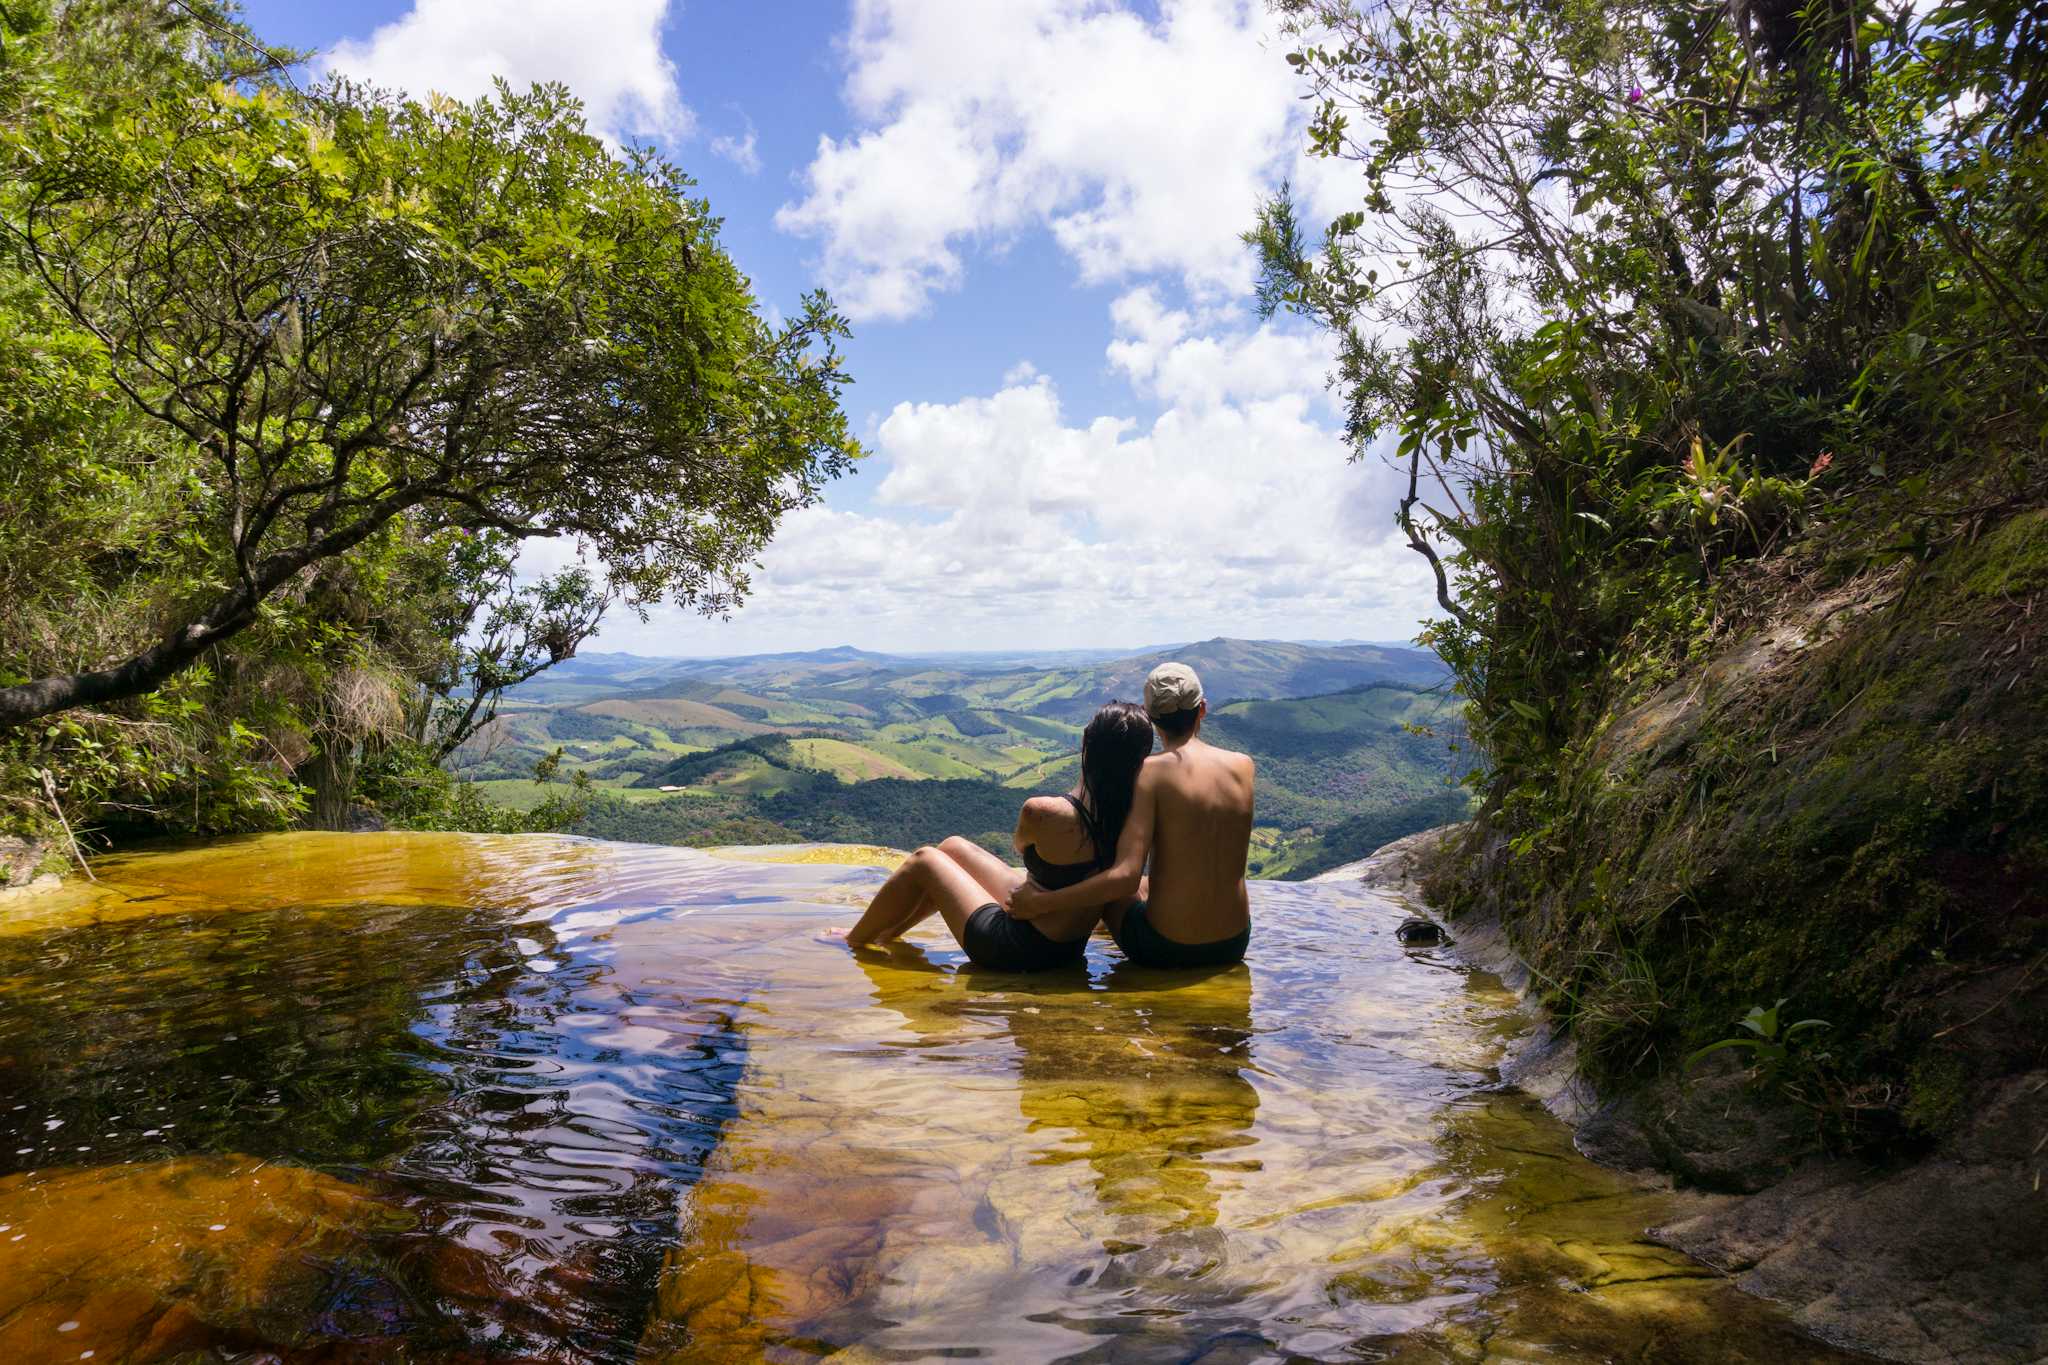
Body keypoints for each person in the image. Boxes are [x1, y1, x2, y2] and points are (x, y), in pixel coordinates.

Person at [839, 701, 1155, 970]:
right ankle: (889, 932)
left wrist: (1042, 900)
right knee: (953, 848)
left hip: (1013, 947)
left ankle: (853, 939)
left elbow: (1021, 845)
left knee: (926, 860)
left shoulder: (1044, 811)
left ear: (1087, 743)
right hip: (1066, 948)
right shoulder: (1134, 813)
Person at [1011, 663, 1255, 968]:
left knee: (1104, 882)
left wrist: (1040, 903)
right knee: (1146, 883)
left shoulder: (1149, 773)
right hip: (1234, 942)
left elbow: (1124, 878)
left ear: (1150, 718)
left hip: (1168, 947)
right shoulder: (1244, 765)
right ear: (1202, 709)